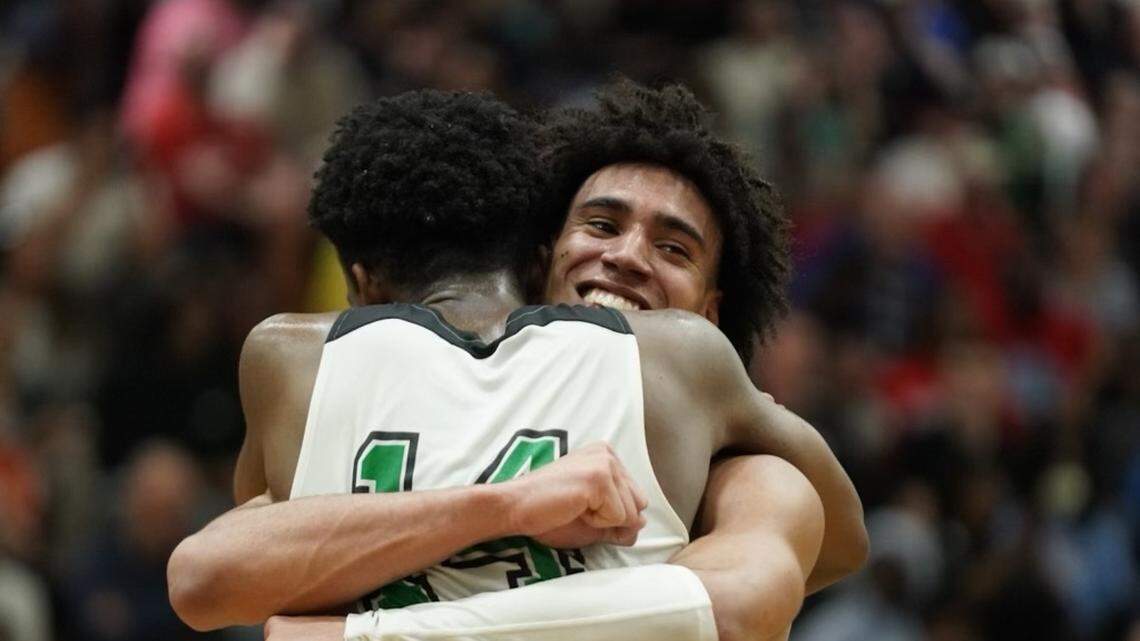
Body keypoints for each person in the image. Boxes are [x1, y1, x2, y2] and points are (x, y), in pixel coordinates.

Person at [167, 88, 857, 640]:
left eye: (673, 249)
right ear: (541, 256)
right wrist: (508, 505)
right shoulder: (331, 366)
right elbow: (204, 572)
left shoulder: (731, 451)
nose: (626, 257)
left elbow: (801, 563)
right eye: (602, 225)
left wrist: (361, 635)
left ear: (708, 315)